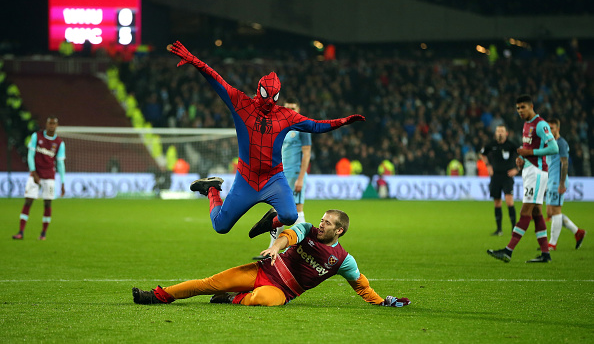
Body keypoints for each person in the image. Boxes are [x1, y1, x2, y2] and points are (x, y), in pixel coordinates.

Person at [167, 41, 365, 237]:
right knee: (221, 226)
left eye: (274, 96)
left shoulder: (286, 115)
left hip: (273, 178)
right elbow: (216, 80)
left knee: (290, 215)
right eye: (266, 95)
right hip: (247, 178)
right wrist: (194, 60)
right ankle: (211, 189)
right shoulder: (241, 104)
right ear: (259, 89)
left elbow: (315, 125)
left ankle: (269, 221)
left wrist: (343, 121)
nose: (270, 101)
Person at [132, 209, 410, 308]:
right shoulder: (307, 230)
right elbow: (289, 235)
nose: (321, 224)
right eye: (322, 220)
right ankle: (156, 296)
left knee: (268, 301)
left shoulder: (343, 260)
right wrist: (276, 247)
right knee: (209, 283)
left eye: (328, 223)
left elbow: (361, 285)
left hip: (282, 290)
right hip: (264, 269)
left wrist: (381, 301)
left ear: (340, 231)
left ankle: (232, 298)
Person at [488, 95, 559, 263]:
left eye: (522, 107)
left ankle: (508, 251)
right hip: (529, 169)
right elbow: (529, 149)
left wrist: (530, 154)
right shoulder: (526, 125)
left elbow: (554, 148)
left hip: (537, 172)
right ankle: (545, 254)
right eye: (518, 108)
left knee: (525, 211)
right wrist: (522, 161)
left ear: (531, 106)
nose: (520, 111)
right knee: (536, 212)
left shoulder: (540, 124)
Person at [254, 98, 311, 259]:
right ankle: (272, 249)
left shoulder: (303, 127)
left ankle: (305, 248)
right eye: (288, 107)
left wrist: (301, 178)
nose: (291, 109)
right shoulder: (281, 127)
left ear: (298, 109)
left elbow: (307, 154)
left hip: (295, 176)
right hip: (281, 175)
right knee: (278, 212)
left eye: (294, 107)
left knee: (298, 211)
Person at [12, 116, 66, 240]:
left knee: (47, 203)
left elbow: (60, 163)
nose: (51, 126)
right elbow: (30, 155)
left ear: (57, 126)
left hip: (49, 176)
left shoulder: (59, 143)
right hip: (36, 174)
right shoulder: (37, 137)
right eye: (50, 123)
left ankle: (43, 234)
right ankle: (20, 232)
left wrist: (63, 182)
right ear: (46, 125)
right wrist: (33, 172)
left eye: (54, 124)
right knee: (28, 200)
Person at [544, 118, 586, 250]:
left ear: (558, 129)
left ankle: (552, 244)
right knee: (550, 212)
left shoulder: (561, 143)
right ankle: (578, 232)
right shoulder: (549, 142)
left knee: (556, 211)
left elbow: (565, 163)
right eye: (548, 128)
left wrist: (561, 183)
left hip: (558, 180)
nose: (550, 130)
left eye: (552, 128)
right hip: (551, 180)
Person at [480, 125, 519, 236]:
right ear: (495, 133)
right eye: (498, 131)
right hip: (495, 177)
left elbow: (523, 156)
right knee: (497, 202)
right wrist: (488, 165)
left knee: (509, 201)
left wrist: (516, 169)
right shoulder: (491, 145)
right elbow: (482, 153)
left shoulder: (511, 145)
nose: (500, 133)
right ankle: (499, 230)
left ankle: (514, 230)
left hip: (507, 177)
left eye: (502, 131)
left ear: (506, 133)